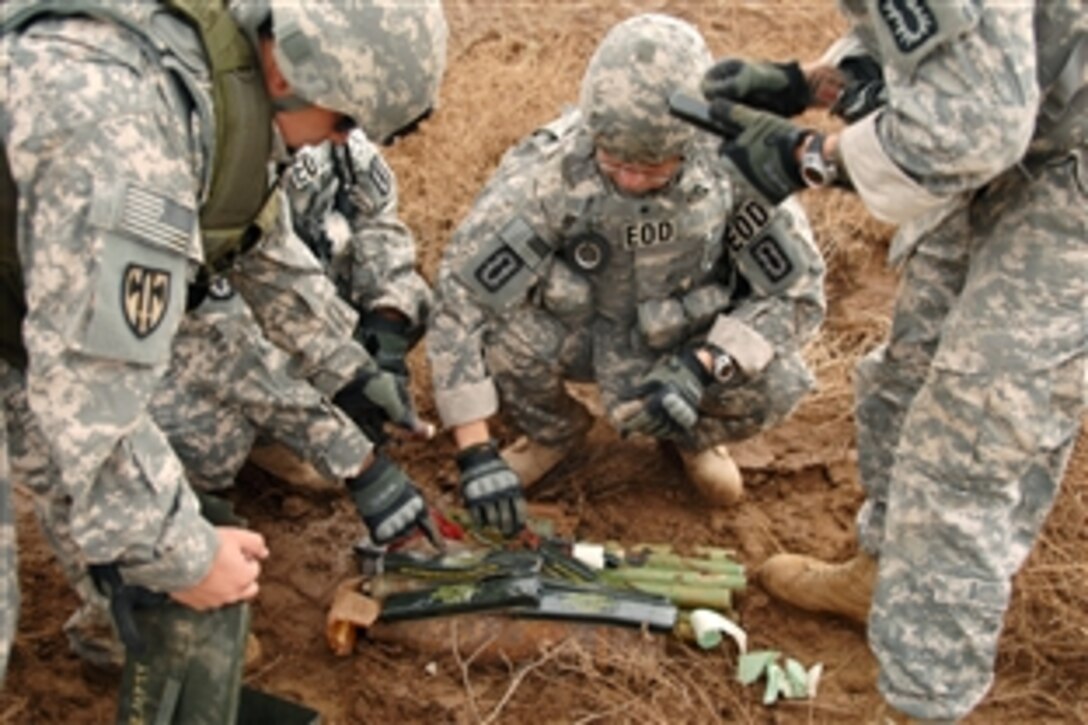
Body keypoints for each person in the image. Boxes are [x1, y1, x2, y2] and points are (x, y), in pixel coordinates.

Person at [0, 0, 447, 705]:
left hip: (29, 313)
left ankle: (119, 630)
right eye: (343, 122)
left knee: (88, 487)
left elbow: (254, 244)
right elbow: (93, 386)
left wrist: (349, 371)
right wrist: (183, 554)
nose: (336, 145)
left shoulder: (215, 78)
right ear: (288, 65)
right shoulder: (127, 135)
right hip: (41, 330)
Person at [697, 2, 1087, 721]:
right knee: (903, 378)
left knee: (967, 441)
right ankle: (880, 575)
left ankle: (922, 702)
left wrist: (807, 158)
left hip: (1067, 166)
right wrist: (814, 83)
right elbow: (945, 44)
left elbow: (970, 127)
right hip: (1020, 125)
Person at [427, 12, 826, 537]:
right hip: (583, 336)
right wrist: (476, 452)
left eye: (655, 166)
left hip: (684, 340)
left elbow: (797, 294)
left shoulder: (740, 167)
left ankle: (692, 437)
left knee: (774, 379)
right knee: (505, 338)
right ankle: (553, 433)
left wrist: (702, 367)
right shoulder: (548, 176)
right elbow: (460, 302)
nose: (634, 180)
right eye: (615, 161)